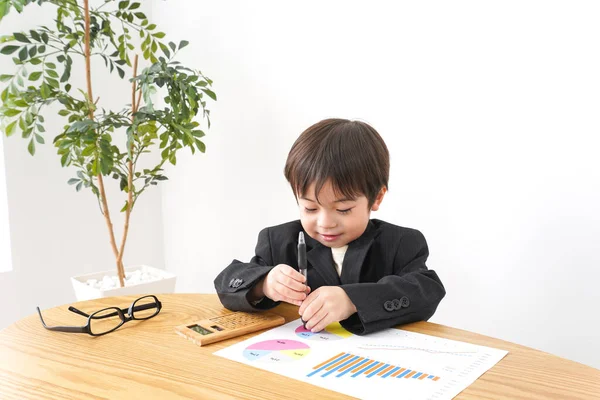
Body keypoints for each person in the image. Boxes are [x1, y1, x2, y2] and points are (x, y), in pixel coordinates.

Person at [214, 118, 445, 335]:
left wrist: (353, 300)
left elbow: (426, 292)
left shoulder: (401, 244)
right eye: (310, 209)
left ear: (377, 198)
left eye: (343, 210)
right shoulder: (278, 241)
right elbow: (228, 282)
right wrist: (263, 283)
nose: (325, 223)